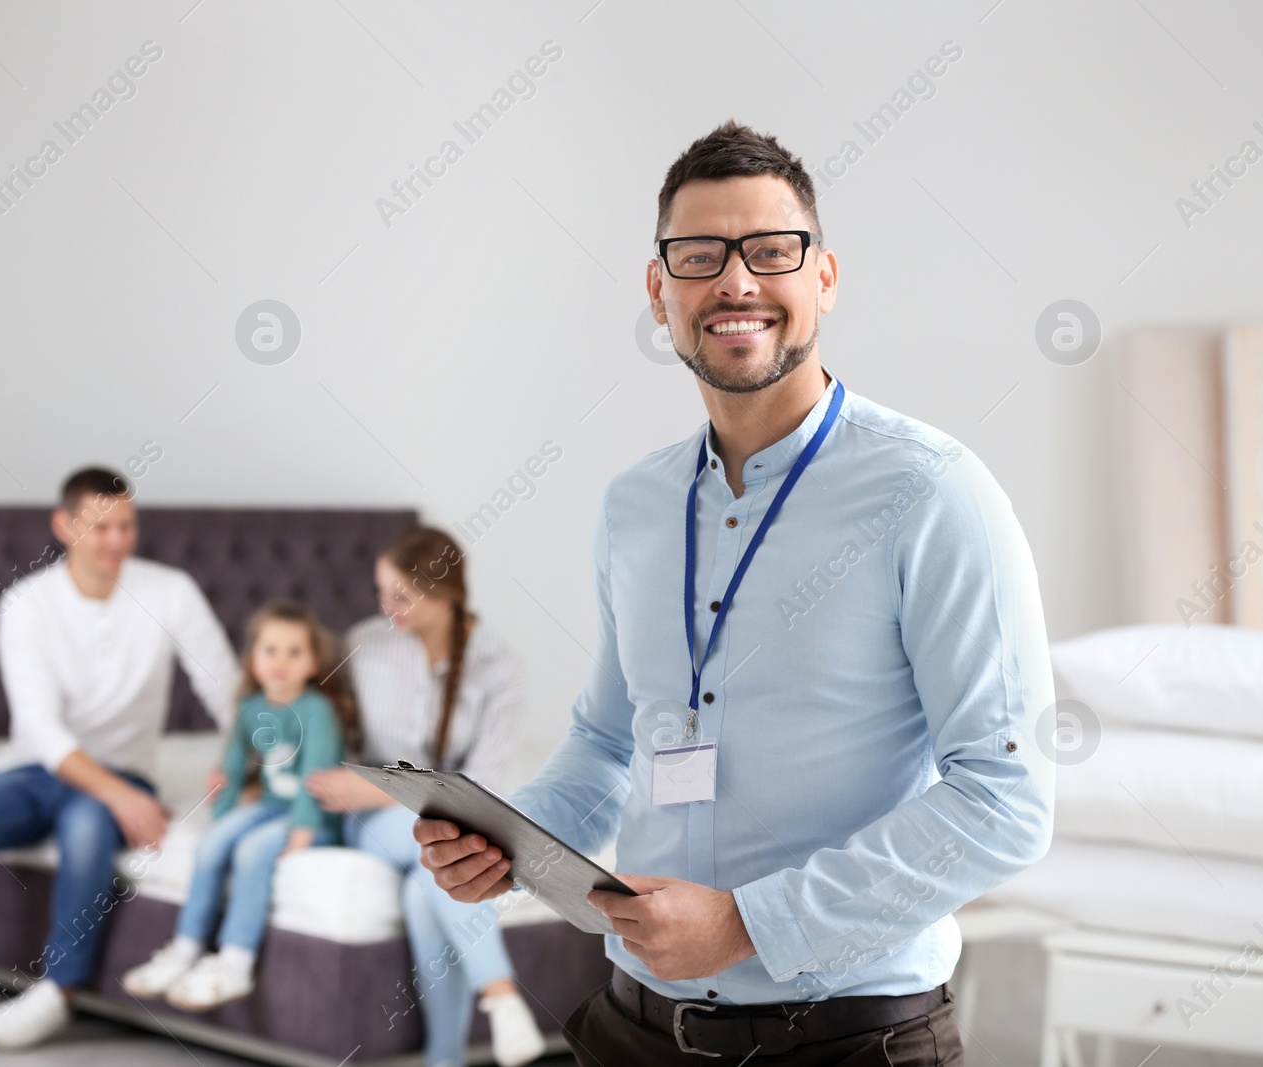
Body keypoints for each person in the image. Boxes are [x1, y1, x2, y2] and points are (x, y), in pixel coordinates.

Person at [415, 121, 1055, 1066]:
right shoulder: (635, 504)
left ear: (825, 278)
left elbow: (1006, 798)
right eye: (700, 255)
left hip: (848, 1039)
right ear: (658, 289)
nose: (736, 282)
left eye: (771, 252)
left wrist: (752, 923)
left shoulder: (934, 492)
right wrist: (513, 842)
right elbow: (604, 743)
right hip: (636, 1027)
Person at [0, 467, 240, 1052]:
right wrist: (117, 793)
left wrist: (241, 759)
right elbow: (42, 728)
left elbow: (227, 690)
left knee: (85, 830)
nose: (115, 540)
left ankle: (59, 991)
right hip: (35, 769)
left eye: (126, 526)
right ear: (64, 525)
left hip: (126, 769)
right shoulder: (26, 602)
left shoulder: (170, 591)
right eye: (100, 526)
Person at [304, 526, 546, 1067]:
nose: (385, 607)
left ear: (446, 596)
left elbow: (480, 787)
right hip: (366, 820)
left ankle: (446, 1059)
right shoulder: (364, 644)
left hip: (440, 824)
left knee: (427, 885)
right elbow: (317, 726)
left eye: (400, 596)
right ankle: (502, 995)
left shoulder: (499, 668)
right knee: (441, 858)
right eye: (381, 592)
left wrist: (382, 789)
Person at [120, 600, 356, 1009]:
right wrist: (225, 819)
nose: (280, 661)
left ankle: (235, 961)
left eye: (294, 652)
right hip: (267, 805)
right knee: (212, 845)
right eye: (270, 650)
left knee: (252, 852)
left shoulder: (317, 711)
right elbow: (229, 770)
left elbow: (316, 778)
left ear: (313, 663)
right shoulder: (249, 710)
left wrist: (302, 834)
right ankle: (186, 946)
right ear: (252, 659)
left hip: (310, 818)